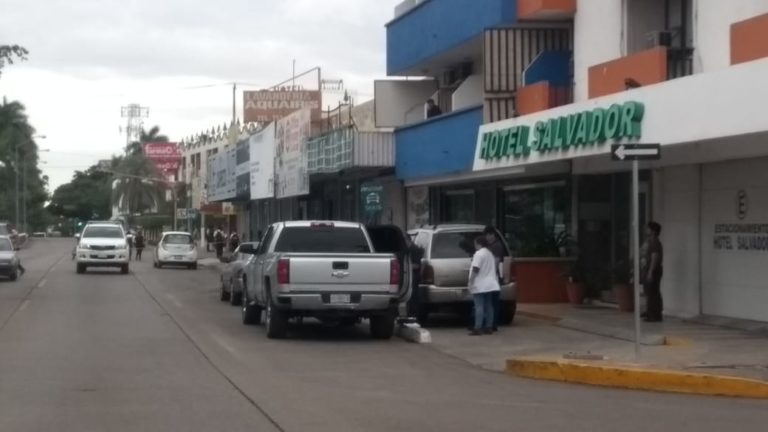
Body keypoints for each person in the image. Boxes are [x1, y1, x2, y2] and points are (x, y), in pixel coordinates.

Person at [468, 235, 501, 335]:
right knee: (489, 305)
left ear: (478, 244)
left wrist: (470, 281)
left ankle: (477, 327)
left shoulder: (479, 254)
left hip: (479, 283)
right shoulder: (489, 253)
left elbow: (476, 269)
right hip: (490, 283)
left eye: (475, 243)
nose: (474, 245)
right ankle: (488, 326)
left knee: (479, 306)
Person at [483, 226, 506, 331]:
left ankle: (493, 323)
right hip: (490, 277)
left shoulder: (496, 246)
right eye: (486, 235)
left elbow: (496, 261)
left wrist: (490, 273)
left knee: (493, 301)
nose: (487, 237)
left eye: (488, 235)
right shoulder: (489, 246)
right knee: (490, 301)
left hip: (494, 277)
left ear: (493, 234)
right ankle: (490, 322)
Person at [641, 221, 664, 322]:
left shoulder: (654, 242)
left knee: (652, 293)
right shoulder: (650, 241)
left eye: (648, 228)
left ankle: (654, 314)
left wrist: (650, 271)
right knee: (649, 292)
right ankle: (650, 311)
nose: (646, 230)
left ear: (653, 231)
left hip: (653, 270)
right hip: (649, 269)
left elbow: (655, 257)